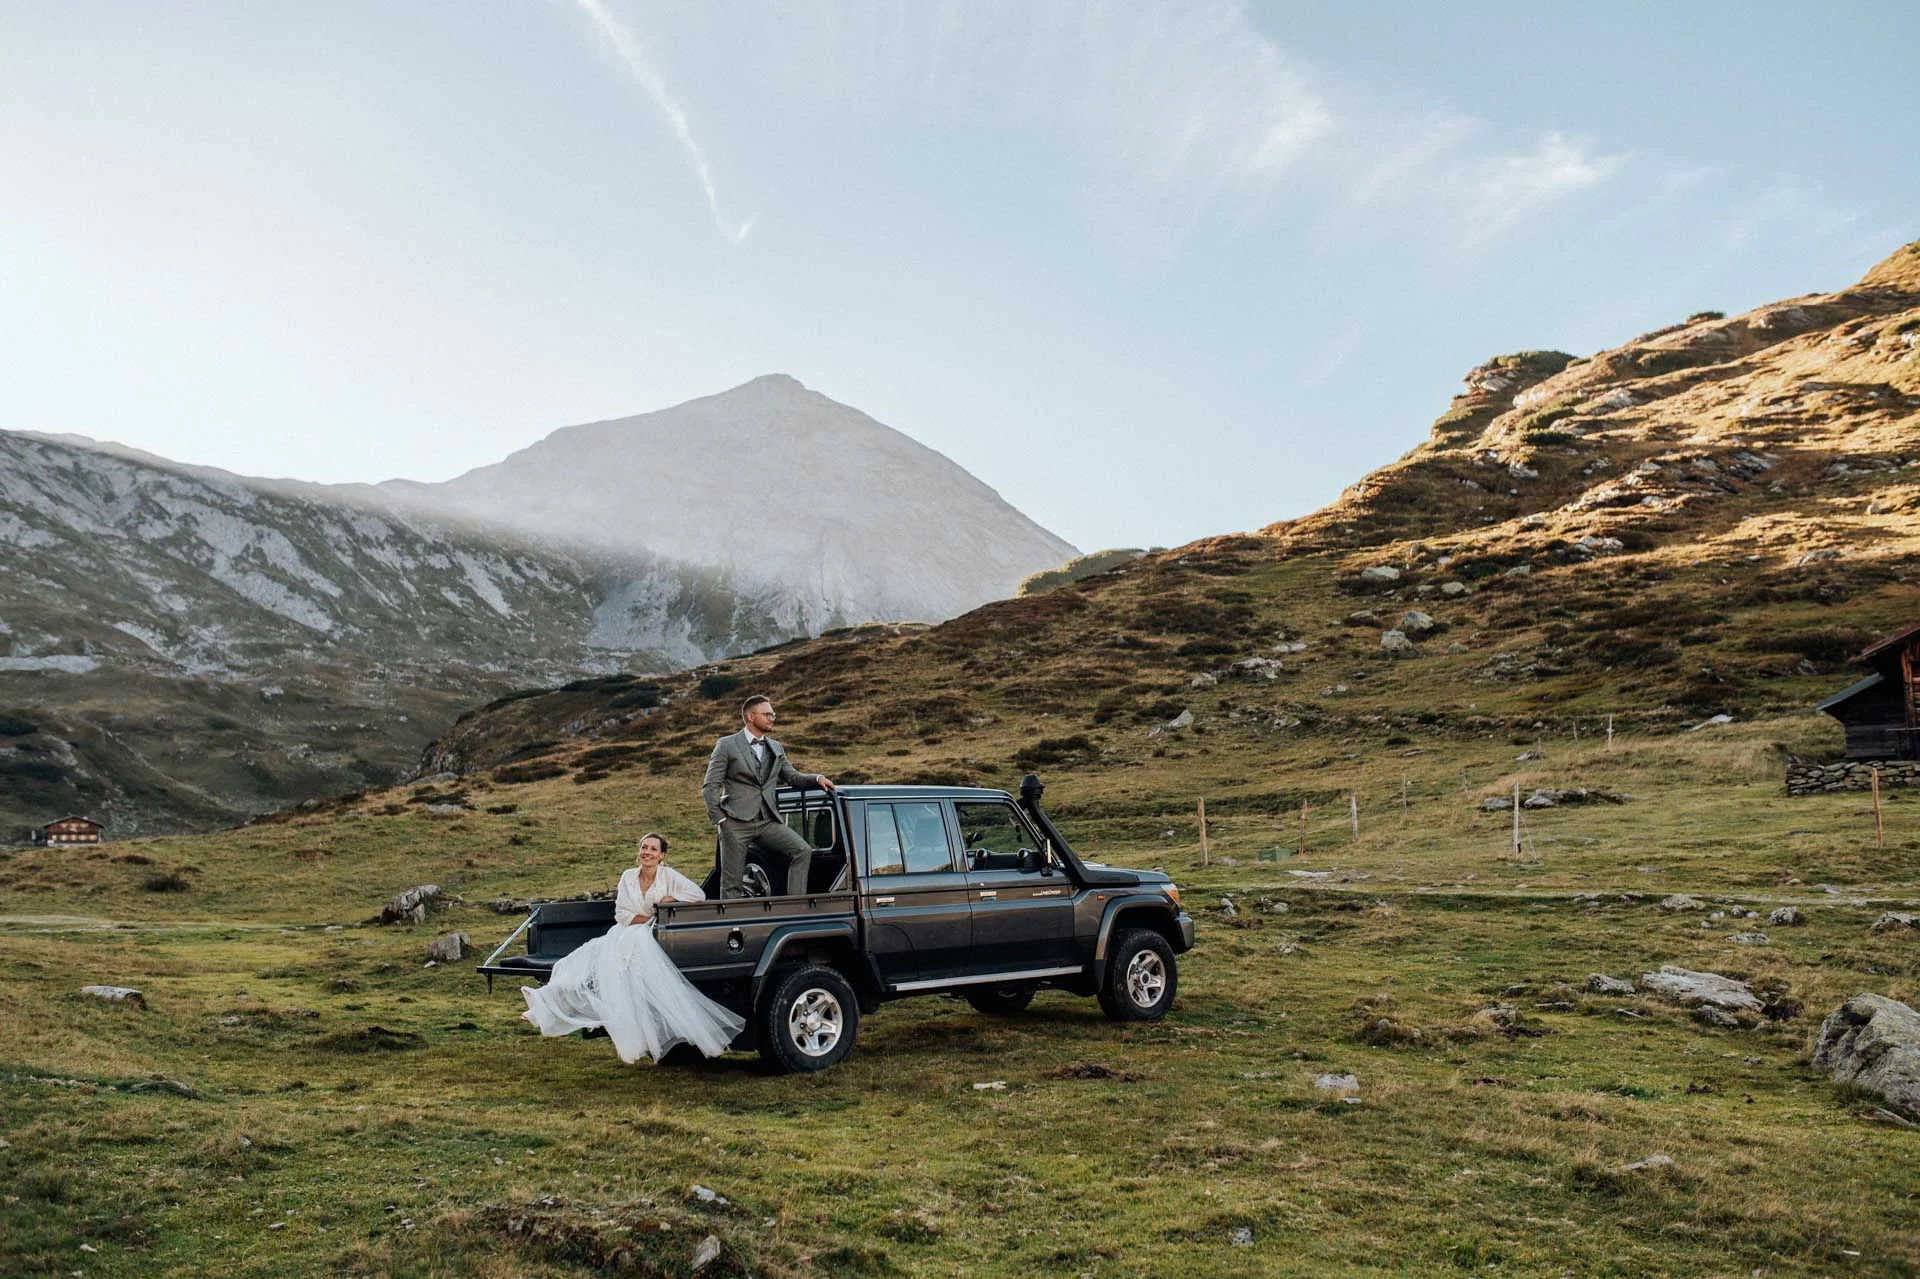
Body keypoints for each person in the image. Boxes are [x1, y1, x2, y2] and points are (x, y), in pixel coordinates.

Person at [519, 832, 745, 1063]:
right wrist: (646, 918)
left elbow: (698, 895)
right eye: (644, 847)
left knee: (627, 977)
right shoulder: (628, 877)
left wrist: (671, 900)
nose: (647, 852)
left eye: (653, 849)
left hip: (649, 935)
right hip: (625, 931)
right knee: (578, 963)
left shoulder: (668, 876)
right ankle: (542, 1005)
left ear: (662, 855)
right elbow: (621, 913)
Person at [702, 694, 836, 897]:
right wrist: (721, 819)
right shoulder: (727, 745)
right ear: (750, 717)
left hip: (767, 820)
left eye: (773, 714)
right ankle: (734, 926)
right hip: (735, 822)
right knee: (732, 882)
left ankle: (795, 906)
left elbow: (792, 777)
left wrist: (816, 779)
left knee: (802, 851)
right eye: (767, 714)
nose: (772, 718)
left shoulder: (776, 747)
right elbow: (711, 785)